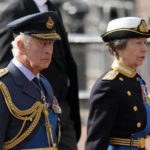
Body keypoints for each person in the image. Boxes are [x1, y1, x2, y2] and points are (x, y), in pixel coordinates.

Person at [0, 0, 81, 150]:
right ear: (21, 46)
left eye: (51, 43)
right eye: (42, 44)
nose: (49, 50)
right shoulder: (3, 88)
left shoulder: (45, 85)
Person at [85, 17, 150, 150]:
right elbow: (96, 140)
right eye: (138, 43)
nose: (145, 49)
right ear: (119, 47)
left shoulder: (137, 80)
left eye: (145, 42)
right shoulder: (108, 85)